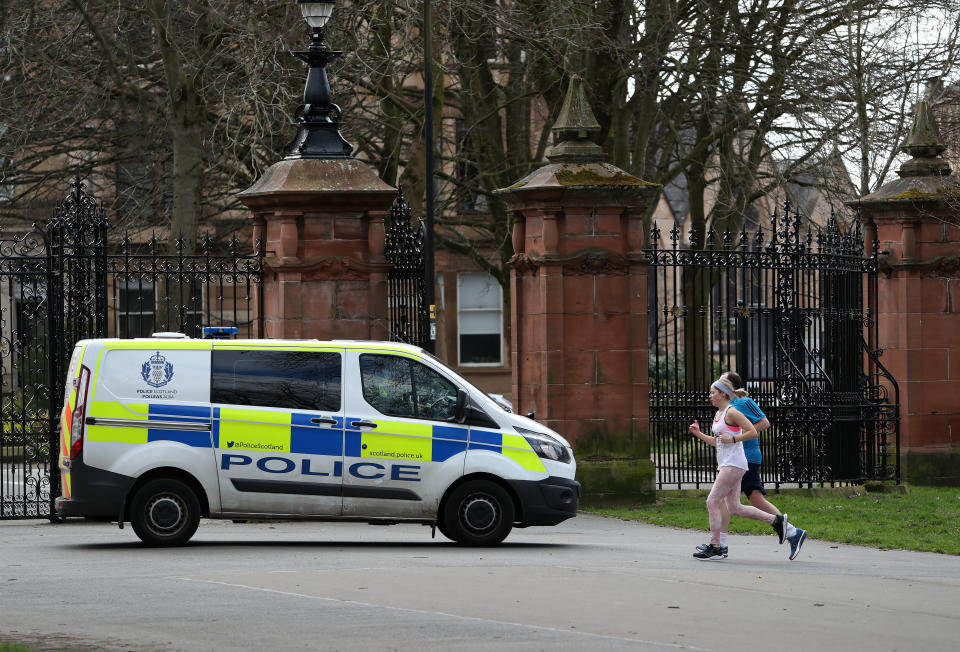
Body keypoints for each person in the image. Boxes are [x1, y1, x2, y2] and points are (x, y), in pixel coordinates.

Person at [695, 371, 807, 561]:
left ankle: (718, 546)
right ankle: (784, 527)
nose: (711, 394)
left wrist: (736, 439)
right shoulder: (720, 411)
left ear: (726, 389)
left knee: (718, 501)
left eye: (718, 386)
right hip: (732, 460)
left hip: (743, 458)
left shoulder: (739, 405)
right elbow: (718, 441)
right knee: (736, 505)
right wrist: (700, 434)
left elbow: (761, 425)